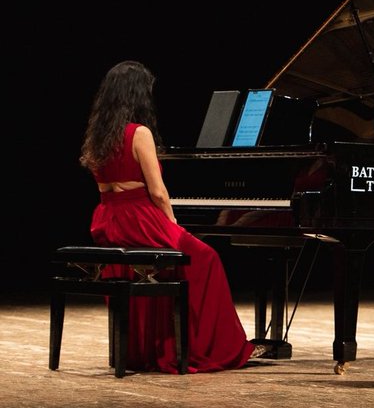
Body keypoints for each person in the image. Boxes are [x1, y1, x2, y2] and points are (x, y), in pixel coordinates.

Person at [79, 60, 267, 373]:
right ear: (139, 95)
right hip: (141, 219)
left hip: (108, 221)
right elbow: (158, 193)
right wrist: (171, 223)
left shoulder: (98, 136)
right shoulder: (138, 133)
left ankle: (150, 349)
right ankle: (211, 347)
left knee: (164, 267)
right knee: (205, 259)